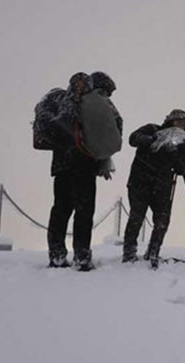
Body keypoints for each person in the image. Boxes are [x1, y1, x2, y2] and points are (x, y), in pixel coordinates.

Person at [35, 72, 121, 271]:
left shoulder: (59, 99)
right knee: (84, 212)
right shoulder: (99, 104)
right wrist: (102, 161)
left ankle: (57, 255)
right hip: (85, 165)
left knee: (61, 209)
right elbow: (110, 133)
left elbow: (49, 125)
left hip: (63, 164)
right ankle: (82, 256)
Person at [122, 109, 185, 269]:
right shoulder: (152, 129)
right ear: (170, 121)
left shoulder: (181, 142)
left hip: (163, 185)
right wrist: (154, 139)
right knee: (136, 217)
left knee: (162, 220)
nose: (180, 125)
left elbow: (179, 168)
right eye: (177, 121)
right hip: (140, 182)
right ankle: (129, 253)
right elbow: (133, 139)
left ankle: (153, 252)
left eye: (183, 124)